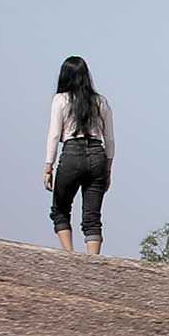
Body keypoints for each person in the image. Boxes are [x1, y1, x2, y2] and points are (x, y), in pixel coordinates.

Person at [43, 56, 114, 254]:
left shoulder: (61, 100)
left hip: (72, 152)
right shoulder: (101, 101)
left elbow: (55, 134)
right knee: (92, 217)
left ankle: (70, 255)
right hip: (97, 154)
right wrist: (108, 169)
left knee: (60, 209)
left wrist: (48, 167)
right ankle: (93, 262)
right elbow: (110, 139)